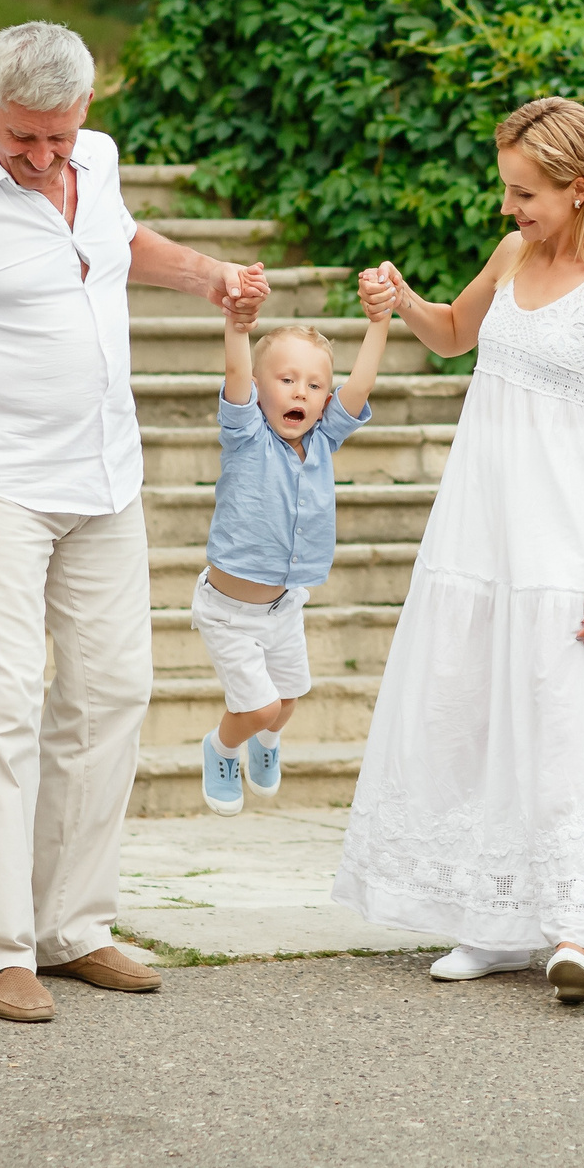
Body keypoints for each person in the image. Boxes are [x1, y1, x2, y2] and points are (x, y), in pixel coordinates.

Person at [0, 21, 267, 1024]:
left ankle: (72, 925)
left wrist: (207, 275)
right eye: (23, 137)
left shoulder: (96, 160)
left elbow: (118, 243)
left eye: (58, 138)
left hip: (107, 475)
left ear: (85, 114)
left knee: (114, 691)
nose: (41, 157)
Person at [333, 96, 584, 1006]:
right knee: (473, 705)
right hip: (479, 526)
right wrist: (402, 299)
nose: (509, 206)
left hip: (563, 533)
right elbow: (452, 333)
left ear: (577, 185)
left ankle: (573, 925)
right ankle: (491, 920)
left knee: (562, 719)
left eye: (525, 192)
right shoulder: (513, 254)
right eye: (508, 189)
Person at [194, 293, 392, 815]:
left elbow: (362, 385)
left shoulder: (324, 440)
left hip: (283, 608)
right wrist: (237, 325)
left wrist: (380, 322)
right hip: (229, 613)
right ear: (259, 389)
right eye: (286, 380)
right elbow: (236, 370)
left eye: (314, 385)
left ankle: (266, 742)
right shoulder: (246, 434)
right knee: (259, 708)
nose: (300, 391)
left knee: (285, 704)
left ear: (326, 400)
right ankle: (221, 748)